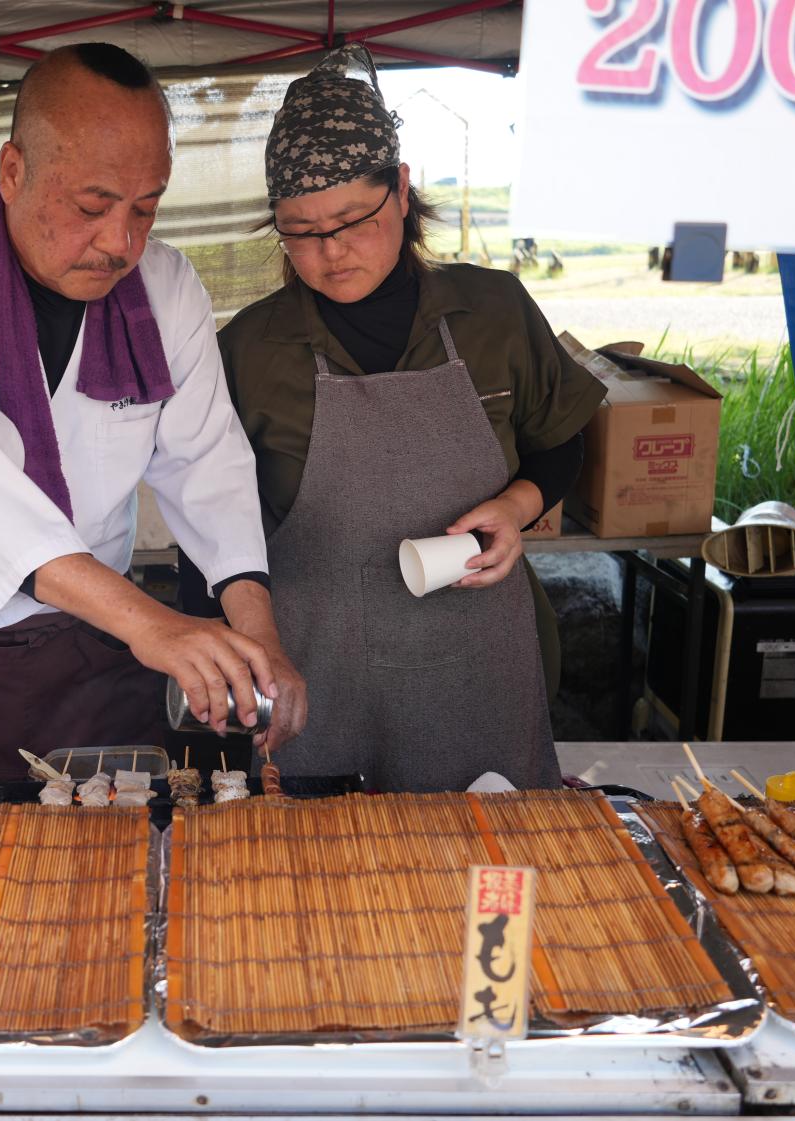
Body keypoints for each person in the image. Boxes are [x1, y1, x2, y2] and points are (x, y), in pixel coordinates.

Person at [0, 43, 307, 783]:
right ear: (12, 172)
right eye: (92, 206)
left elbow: (209, 465)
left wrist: (257, 636)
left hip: (98, 642)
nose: (121, 242)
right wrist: (160, 628)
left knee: (104, 864)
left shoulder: (164, 288)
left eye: (145, 206)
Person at [215, 46, 606, 793]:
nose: (330, 253)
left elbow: (562, 441)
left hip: (475, 664)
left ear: (400, 190)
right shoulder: (248, 350)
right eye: (299, 230)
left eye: (351, 219)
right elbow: (214, 521)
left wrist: (516, 509)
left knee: (474, 877)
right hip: (317, 674)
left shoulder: (492, 311)